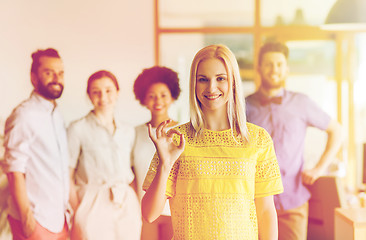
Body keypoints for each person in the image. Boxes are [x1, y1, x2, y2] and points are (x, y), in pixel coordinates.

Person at [141, 44, 284, 240]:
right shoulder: (176, 140)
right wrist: (165, 164)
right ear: (194, 84)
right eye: (203, 80)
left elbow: (266, 212)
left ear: (233, 82)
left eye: (220, 79)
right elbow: (149, 214)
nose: (211, 87)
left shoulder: (258, 139)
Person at [245, 41, 343, 240]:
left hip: (293, 202)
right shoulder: (243, 106)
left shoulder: (302, 103)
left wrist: (319, 168)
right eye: (269, 64)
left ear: (287, 69)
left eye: (280, 64)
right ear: (259, 68)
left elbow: (337, 131)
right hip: (252, 204)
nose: (274, 69)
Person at [1, 48, 69, 240]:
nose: (57, 78)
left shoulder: (57, 115)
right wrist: (27, 218)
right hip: (35, 220)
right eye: (49, 73)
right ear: (33, 78)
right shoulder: (23, 115)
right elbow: (14, 170)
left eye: (61, 73)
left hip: (59, 219)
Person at [67, 70, 141, 240]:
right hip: (92, 203)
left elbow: (132, 171)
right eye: (96, 92)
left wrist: (134, 200)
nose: (103, 97)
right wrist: (78, 210)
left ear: (117, 93)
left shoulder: (128, 131)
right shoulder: (77, 129)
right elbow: (67, 175)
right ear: (89, 96)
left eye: (108, 90)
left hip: (125, 202)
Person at [132, 66, 181, 240]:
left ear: (172, 96)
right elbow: (132, 177)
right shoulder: (135, 133)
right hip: (145, 211)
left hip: (175, 210)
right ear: (143, 99)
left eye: (163, 95)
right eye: (151, 96)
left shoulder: (181, 132)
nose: (157, 101)